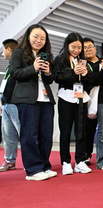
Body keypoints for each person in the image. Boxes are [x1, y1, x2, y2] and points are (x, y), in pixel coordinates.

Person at [10, 24, 56, 181]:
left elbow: (49, 80)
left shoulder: (46, 56)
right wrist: (33, 68)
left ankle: (44, 165)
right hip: (27, 100)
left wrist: (49, 72)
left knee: (46, 135)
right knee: (29, 134)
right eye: (36, 36)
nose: (39, 40)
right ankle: (33, 170)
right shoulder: (18, 53)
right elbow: (14, 73)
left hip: (46, 100)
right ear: (28, 36)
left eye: (42, 38)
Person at [54, 32, 93, 175]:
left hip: (81, 97)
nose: (76, 50)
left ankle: (80, 161)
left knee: (81, 130)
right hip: (65, 97)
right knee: (65, 131)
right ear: (67, 45)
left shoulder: (83, 61)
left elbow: (90, 82)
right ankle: (65, 162)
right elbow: (56, 77)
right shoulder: (60, 59)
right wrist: (73, 72)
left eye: (79, 47)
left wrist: (85, 75)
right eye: (73, 47)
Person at [83, 37, 103, 165]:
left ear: (95, 48)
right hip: (89, 99)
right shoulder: (82, 63)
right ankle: (86, 155)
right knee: (88, 128)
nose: (88, 50)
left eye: (90, 47)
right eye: (85, 48)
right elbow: (88, 81)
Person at [0, 39, 19, 172]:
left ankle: (33, 160)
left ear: (9, 50)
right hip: (6, 104)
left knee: (24, 134)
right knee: (8, 135)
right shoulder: (8, 67)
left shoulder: (18, 66)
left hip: (16, 104)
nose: (2, 53)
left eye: (3, 50)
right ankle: (10, 160)